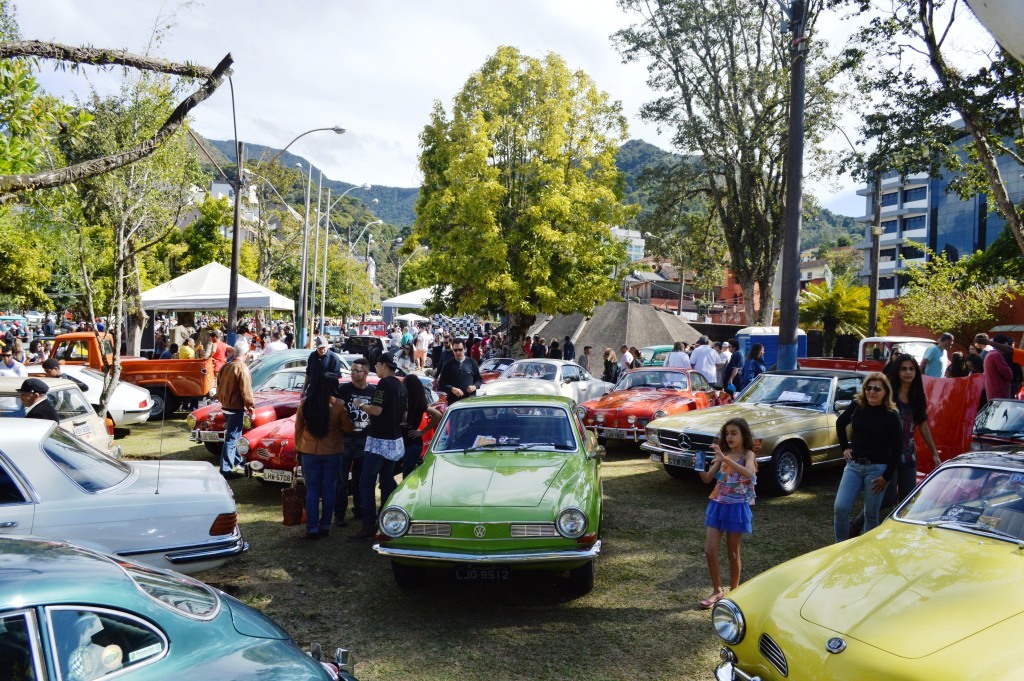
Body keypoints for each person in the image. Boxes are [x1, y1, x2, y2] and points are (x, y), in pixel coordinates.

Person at [833, 372, 903, 542]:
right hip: (854, 466)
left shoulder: (891, 414)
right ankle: (839, 547)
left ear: (885, 392)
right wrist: (845, 447)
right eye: (868, 388)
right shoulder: (857, 405)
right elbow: (840, 423)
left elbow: (897, 449)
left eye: (877, 389)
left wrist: (886, 477)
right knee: (840, 508)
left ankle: (867, 551)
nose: (872, 392)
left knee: (871, 514)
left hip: (877, 470)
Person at [697, 417, 757, 609]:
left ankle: (734, 591)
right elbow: (707, 478)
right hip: (718, 505)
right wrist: (699, 466)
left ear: (743, 435)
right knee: (709, 551)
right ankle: (717, 591)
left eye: (734, 433)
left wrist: (725, 459)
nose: (729, 437)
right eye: (727, 433)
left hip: (736, 507)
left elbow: (750, 473)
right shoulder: (724, 454)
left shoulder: (748, 454)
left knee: (732, 553)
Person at [350, 353, 408, 541]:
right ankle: (387, 520)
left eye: (377, 364)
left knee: (366, 482)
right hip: (395, 441)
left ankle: (368, 523)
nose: (376, 368)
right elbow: (404, 415)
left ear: (384, 365)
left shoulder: (384, 384)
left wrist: (361, 404)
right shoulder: (401, 385)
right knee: (386, 480)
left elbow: (376, 410)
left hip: (379, 441)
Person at [294, 374, 354, 539]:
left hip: (309, 451)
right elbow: (348, 428)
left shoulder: (305, 403)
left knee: (312, 490)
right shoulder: (339, 405)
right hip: (332, 451)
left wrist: (297, 448)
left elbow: (298, 428)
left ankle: (312, 527)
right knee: (329, 489)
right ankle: (325, 525)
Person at [335, 358, 376, 526]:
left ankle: (359, 509)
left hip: (364, 440)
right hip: (345, 439)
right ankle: (339, 514)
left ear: (365, 373)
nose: (352, 373)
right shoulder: (343, 389)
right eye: (351, 370)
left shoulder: (373, 391)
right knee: (341, 480)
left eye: (356, 370)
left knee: (361, 479)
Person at [216, 340, 255, 478]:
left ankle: (237, 462)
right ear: (246, 353)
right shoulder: (241, 368)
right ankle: (226, 470)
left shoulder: (226, 366)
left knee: (235, 437)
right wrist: (251, 407)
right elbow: (246, 390)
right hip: (235, 407)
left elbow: (219, 386)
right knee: (232, 439)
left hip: (226, 406)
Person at [400, 374, 442, 478]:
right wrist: (422, 432)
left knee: (406, 476)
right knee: (408, 475)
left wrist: (422, 432)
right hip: (414, 442)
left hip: (407, 442)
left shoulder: (407, 403)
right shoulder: (420, 403)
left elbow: (404, 420)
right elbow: (438, 415)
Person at [981, 334, 1016, 400]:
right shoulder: (997, 356)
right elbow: (1009, 375)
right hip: (1000, 394)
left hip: (992, 392)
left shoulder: (989, 354)